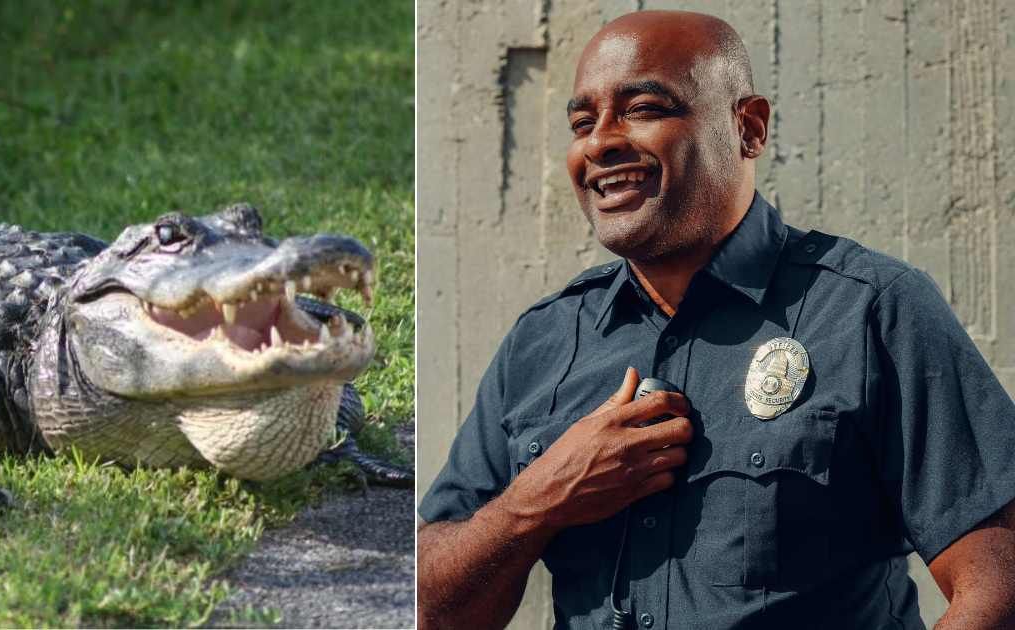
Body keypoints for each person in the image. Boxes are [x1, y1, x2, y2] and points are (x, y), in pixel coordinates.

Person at [417, 9, 1015, 630]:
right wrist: (537, 501)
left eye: (643, 109)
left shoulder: (872, 309)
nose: (600, 142)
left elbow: (999, 588)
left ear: (748, 128)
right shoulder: (543, 340)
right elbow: (433, 611)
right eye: (582, 122)